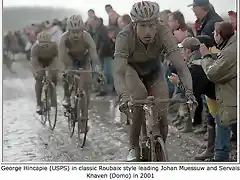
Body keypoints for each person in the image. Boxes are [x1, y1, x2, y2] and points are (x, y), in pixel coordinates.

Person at [113, 1, 196, 162]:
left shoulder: (163, 31)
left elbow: (181, 66)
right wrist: (123, 96)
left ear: (157, 23)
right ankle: (133, 146)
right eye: (143, 26)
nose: (148, 31)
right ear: (134, 24)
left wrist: (190, 93)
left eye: (152, 25)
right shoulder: (124, 35)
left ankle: (159, 151)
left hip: (154, 71)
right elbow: (118, 72)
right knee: (139, 96)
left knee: (162, 111)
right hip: (132, 70)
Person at [200, 22, 237, 161]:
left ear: (221, 35)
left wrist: (205, 57)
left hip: (230, 97)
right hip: (231, 95)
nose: (212, 35)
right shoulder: (232, 44)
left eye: (215, 33)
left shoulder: (230, 52)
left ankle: (220, 160)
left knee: (222, 123)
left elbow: (213, 73)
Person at [58, 15, 102, 109]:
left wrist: (96, 67)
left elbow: (94, 55)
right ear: (68, 31)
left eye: (78, 31)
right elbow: (62, 56)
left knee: (86, 81)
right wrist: (64, 69)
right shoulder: (64, 38)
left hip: (84, 58)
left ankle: (84, 106)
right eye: (73, 32)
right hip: (69, 58)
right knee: (66, 76)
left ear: (82, 30)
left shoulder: (87, 37)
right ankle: (67, 96)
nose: (76, 35)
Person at [30, 31, 58, 113]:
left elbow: (57, 58)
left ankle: (50, 95)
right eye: (42, 44)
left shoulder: (54, 46)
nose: (44, 46)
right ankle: (39, 103)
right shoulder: (35, 47)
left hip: (51, 60)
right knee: (39, 77)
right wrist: (37, 70)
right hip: (39, 61)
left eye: (46, 44)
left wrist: (56, 68)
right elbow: (34, 61)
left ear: (50, 42)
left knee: (54, 75)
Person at [95, 18, 114, 95]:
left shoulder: (102, 30)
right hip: (104, 54)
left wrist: (99, 51)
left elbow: (103, 42)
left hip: (105, 54)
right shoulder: (99, 29)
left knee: (106, 72)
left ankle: (106, 89)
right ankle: (104, 88)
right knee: (103, 72)